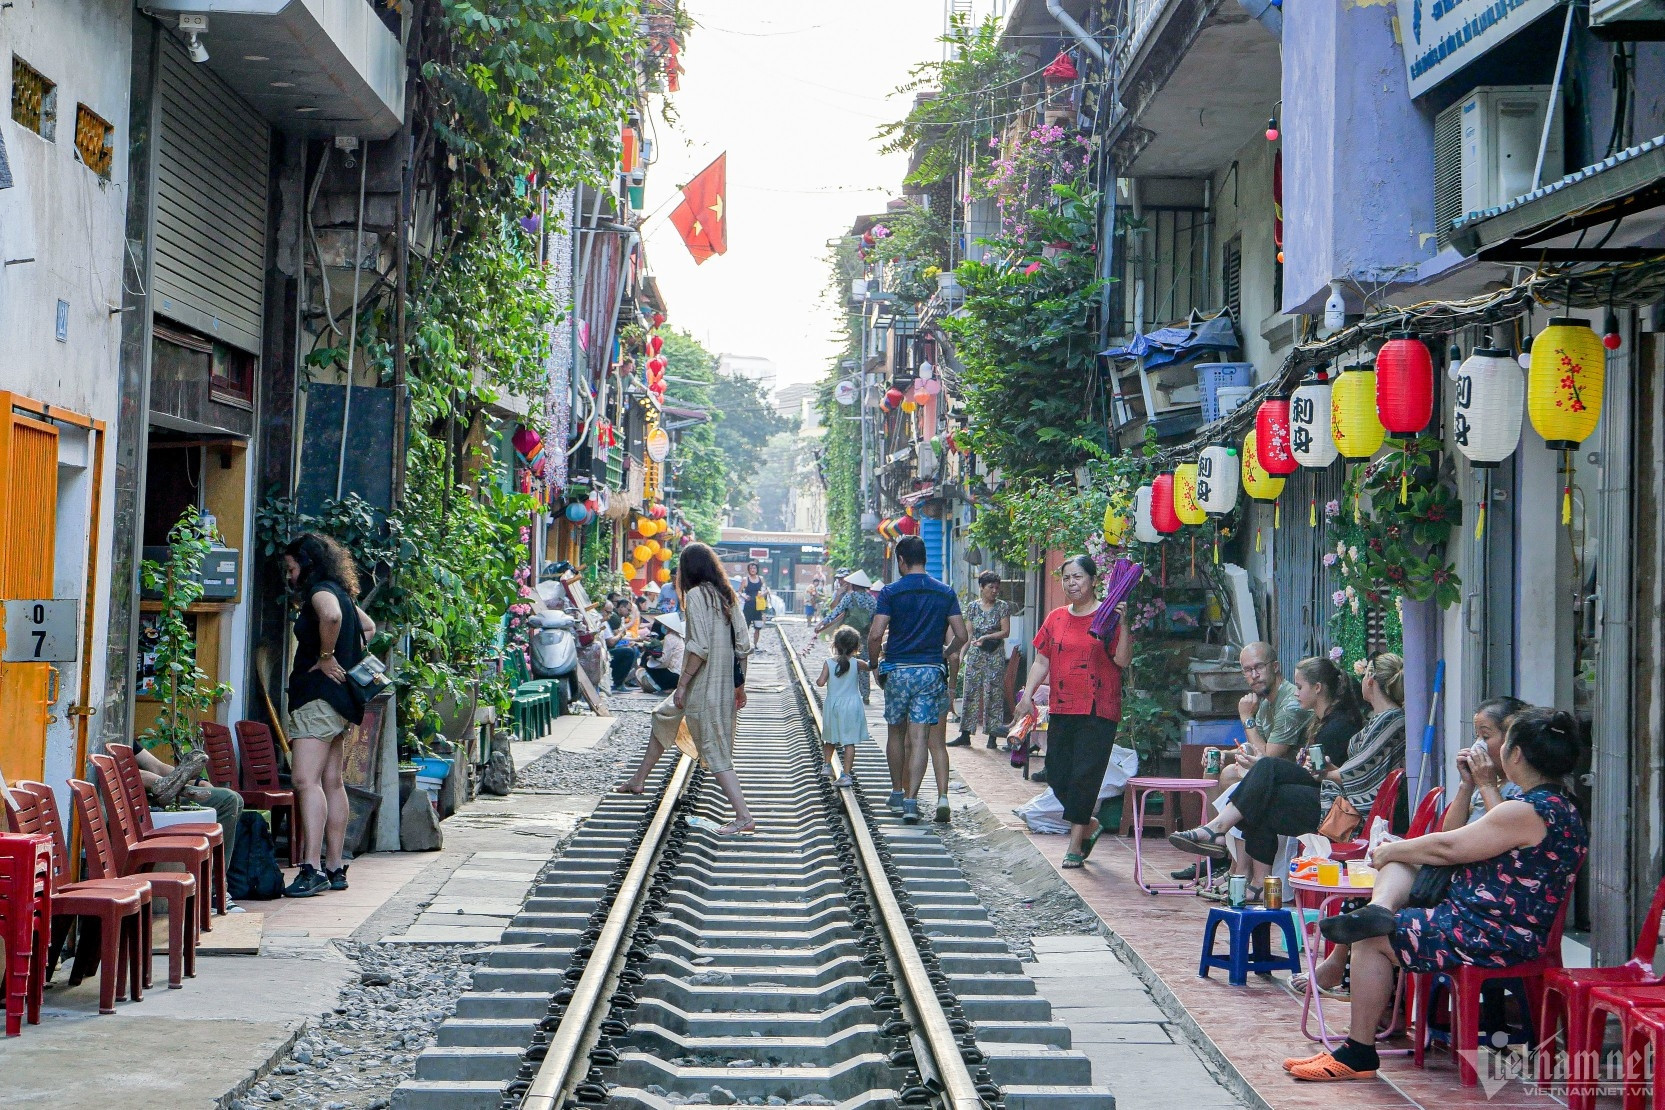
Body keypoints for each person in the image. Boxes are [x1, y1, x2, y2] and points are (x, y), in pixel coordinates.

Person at [1289, 707, 1587, 1082]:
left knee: (1372, 937)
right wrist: (1401, 851)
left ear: (1515, 755)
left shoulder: (1528, 810)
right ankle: (1379, 908)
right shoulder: (1559, 804)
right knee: (1401, 867)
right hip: (1478, 917)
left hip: (1492, 933)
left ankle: (1358, 1052)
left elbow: (1449, 847)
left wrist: (1393, 849)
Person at [1170, 655, 1401, 893]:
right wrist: (1328, 770)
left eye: (1300, 687)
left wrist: (1326, 773)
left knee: (1267, 768)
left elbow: (1360, 776)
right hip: (1335, 798)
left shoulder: (1389, 721)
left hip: (1348, 813)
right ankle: (1258, 883)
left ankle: (1217, 831)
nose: (1295, 692)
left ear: (1371, 681)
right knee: (1263, 796)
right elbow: (1352, 770)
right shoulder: (1376, 720)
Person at [614, 543, 756, 834]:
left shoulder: (695, 595)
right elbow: (743, 644)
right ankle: (639, 779)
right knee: (664, 716)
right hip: (723, 683)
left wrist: (682, 684)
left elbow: (699, 647)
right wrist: (740, 685)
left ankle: (744, 816)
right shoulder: (726, 595)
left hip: (704, 684)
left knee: (715, 749)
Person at [1012, 555, 1132, 868]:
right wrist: (1028, 697)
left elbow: (1122, 661)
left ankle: (1075, 844)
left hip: (1098, 707)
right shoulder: (1055, 618)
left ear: (1093, 580)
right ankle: (1089, 824)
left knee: (1084, 777)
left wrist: (1124, 624)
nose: (1071, 584)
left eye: (1077, 577)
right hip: (1063, 705)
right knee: (1057, 770)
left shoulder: (1106, 616)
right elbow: (1042, 660)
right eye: (1066, 578)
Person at [281, 533, 377, 898]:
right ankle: (336, 866)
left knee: (306, 781)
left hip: (317, 700)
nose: (289, 576)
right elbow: (367, 627)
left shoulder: (321, 593)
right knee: (333, 781)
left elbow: (332, 616)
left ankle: (312, 867)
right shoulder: (342, 591)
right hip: (340, 702)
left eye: (291, 568)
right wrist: (347, 654)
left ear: (306, 564)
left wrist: (325, 656)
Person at [867, 536, 968, 825]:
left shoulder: (890, 592)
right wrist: (944, 654)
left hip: (898, 670)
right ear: (924, 558)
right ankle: (912, 802)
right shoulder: (944, 592)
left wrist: (875, 664)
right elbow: (962, 635)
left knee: (896, 734)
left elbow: (875, 635)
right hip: (930, 671)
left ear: (901, 560)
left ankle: (897, 793)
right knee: (921, 738)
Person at [130, 745, 244, 909]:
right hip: (145, 800)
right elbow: (129, 775)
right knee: (228, 800)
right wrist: (172, 784)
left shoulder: (127, 739)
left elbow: (156, 766)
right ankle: (211, 892)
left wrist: (197, 781)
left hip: (164, 789)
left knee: (236, 799)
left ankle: (216, 887)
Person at [1442, 696, 1530, 830]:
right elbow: (1449, 831)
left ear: (1511, 741)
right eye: (1477, 736)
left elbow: (1507, 832)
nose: (1478, 745)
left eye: (1486, 736)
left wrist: (1487, 786)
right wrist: (1466, 784)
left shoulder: (1521, 787)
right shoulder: (1490, 784)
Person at [954, 571, 1011, 750]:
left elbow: (1005, 631)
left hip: (994, 653)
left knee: (993, 693)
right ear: (981, 587)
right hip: (976, 653)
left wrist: (987, 637)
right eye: (990, 587)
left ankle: (992, 735)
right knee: (970, 690)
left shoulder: (1002, 607)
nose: (994, 591)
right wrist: (963, 653)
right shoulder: (973, 607)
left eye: (996, 587)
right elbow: (969, 633)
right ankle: (965, 733)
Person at [816, 627, 870, 787]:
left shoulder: (828, 663)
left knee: (830, 737)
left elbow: (820, 682)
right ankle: (846, 775)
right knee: (849, 742)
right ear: (856, 647)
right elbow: (870, 666)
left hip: (833, 705)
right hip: (851, 706)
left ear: (835, 645)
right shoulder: (856, 663)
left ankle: (826, 766)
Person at [816, 570, 877, 701]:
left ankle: (844, 689)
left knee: (844, 659)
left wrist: (822, 624)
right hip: (864, 636)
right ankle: (865, 695)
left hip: (847, 636)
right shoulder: (872, 599)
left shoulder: (849, 597)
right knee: (863, 665)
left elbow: (835, 612)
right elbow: (875, 618)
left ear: (854, 584)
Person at [634, 612, 686, 694]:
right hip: (679, 674)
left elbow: (664, 660)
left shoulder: (670, 637)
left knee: (649, 666)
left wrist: (652, 658)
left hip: (674, 675)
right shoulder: (676, 637)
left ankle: (666, 686)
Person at [607, 597, 644, 691]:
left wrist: (634, 640)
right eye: (628, 610)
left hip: (614, 645)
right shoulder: (613, 618)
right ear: (621, 607)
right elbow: (613, 641)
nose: (629, 613)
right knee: (629, 651)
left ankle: (627, 679)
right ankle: (619, 682)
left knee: (633, 649)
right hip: (608, 649)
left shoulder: (618, 618)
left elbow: (619, 638)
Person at [742, 562, 769, 649]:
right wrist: (744, 596)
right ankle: (745, 644)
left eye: (754, 568)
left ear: (757, 569)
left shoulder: (761, 579)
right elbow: (739, 591)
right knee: (746, 626)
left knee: (758, 627)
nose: (753, 570)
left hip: (758, 605)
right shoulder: (745, 579)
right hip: (748, 605)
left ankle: (755, 644)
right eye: (751, 568)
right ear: (748, 570)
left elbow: (766, 589)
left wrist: (763, 593)